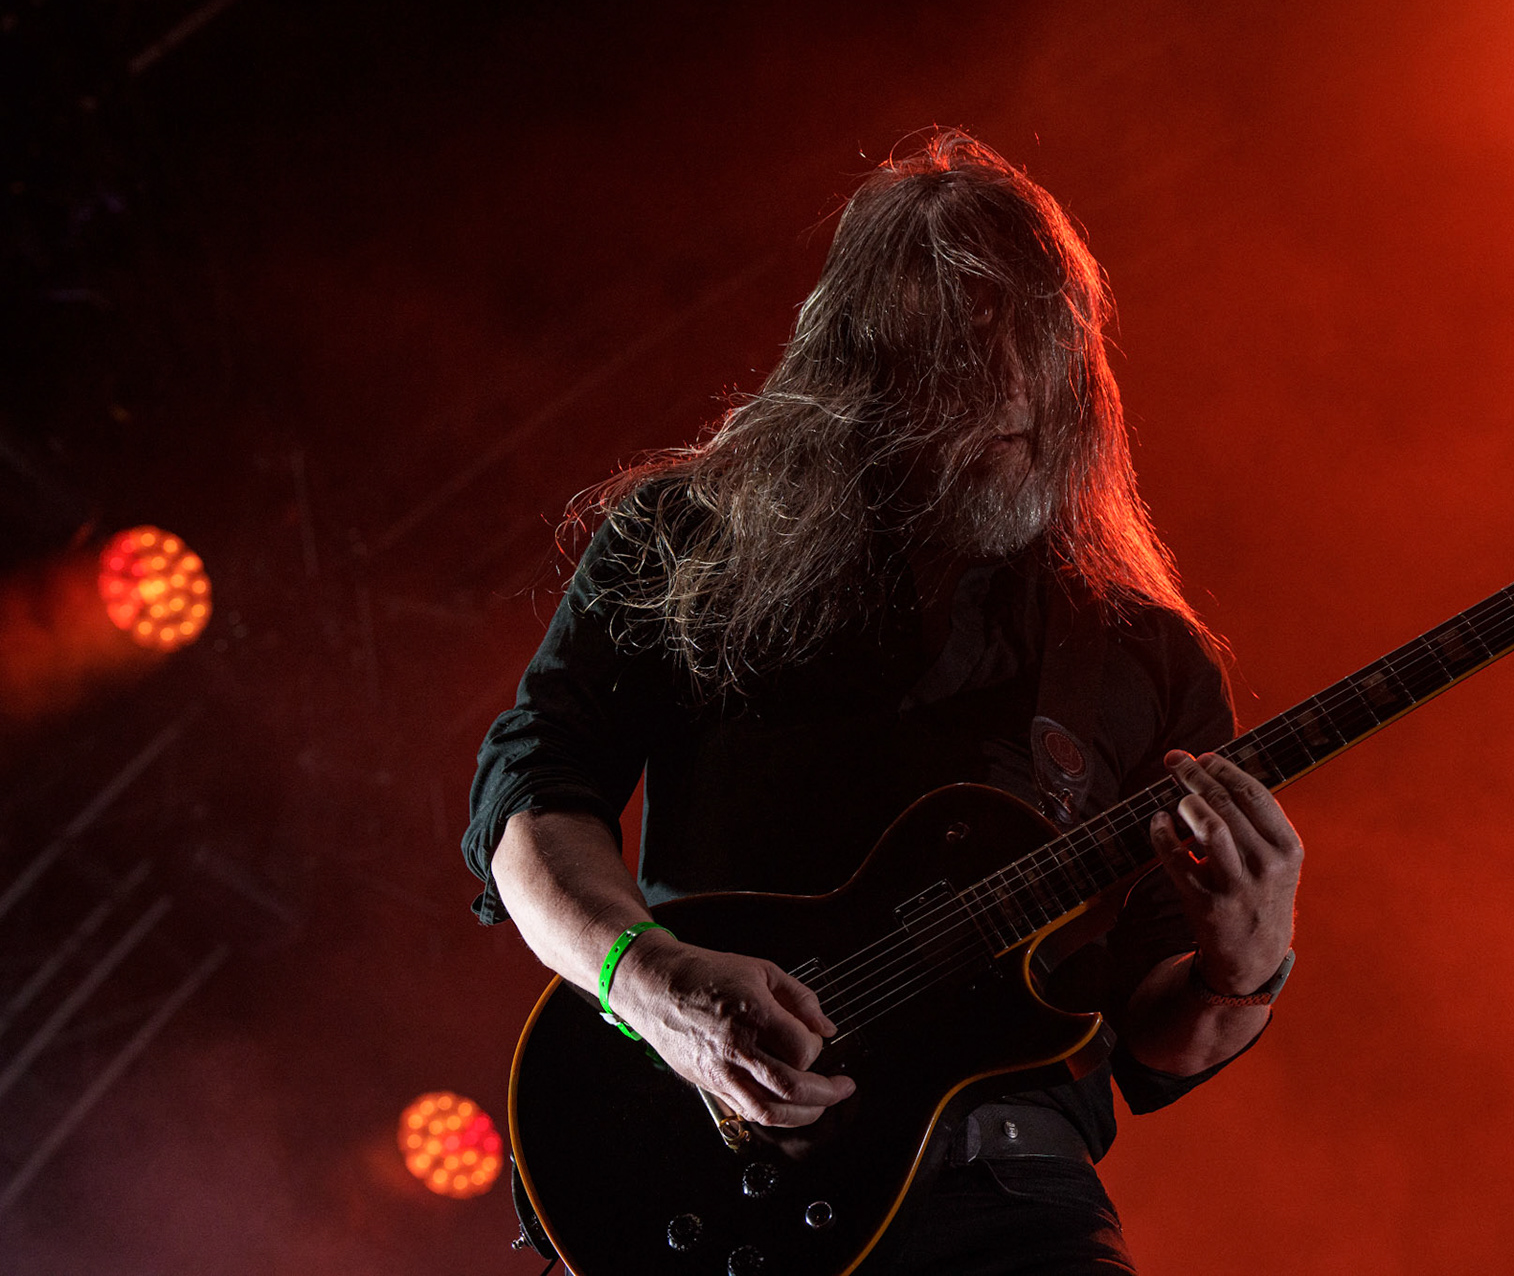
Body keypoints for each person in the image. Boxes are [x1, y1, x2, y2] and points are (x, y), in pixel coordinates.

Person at [463, 129, 1303, 1275]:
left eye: (1034, 349)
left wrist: (1242, 965)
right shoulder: (689, 538)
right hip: (713, 1173)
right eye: (958, 352)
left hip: (1012, 1200)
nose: (1007, 391)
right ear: (854, 364)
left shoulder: (1144, 657)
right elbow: (528, 794)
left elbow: (1158, 1046)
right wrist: (649, 981)